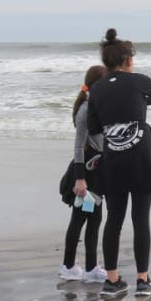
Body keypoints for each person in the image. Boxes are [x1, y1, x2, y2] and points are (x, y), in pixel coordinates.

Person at [87, 28, 151, 297]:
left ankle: (113, 281)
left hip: (113, 159)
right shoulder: (138, 81)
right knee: (141, 218)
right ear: (128, 60)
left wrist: (137, 104)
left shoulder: (98, 89)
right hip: (141, 158)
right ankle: (142, 280)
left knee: (114, 219)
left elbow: (94, 125)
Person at [58, 65, 108, 281]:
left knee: (92, 219)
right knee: (82, 219)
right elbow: (78, 146)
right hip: (85, 175)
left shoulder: (95, 106)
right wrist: (80, 180)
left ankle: (86, 267)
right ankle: (73, 267)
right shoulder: (86, 110)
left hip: (94, 172)